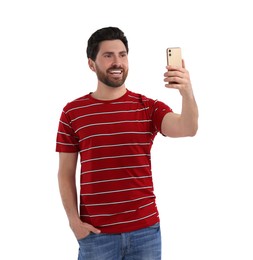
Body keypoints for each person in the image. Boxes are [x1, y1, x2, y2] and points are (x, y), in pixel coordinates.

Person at [56, 26, 198, 260]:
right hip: (96, 235)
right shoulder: (73, 112)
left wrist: (187, 92)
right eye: (108, 55)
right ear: (91, 64)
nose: (117, 62)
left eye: (122, 55)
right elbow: (65, 172)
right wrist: (74, 222)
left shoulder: (148, 107)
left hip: (145, 233)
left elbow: (188, 128)